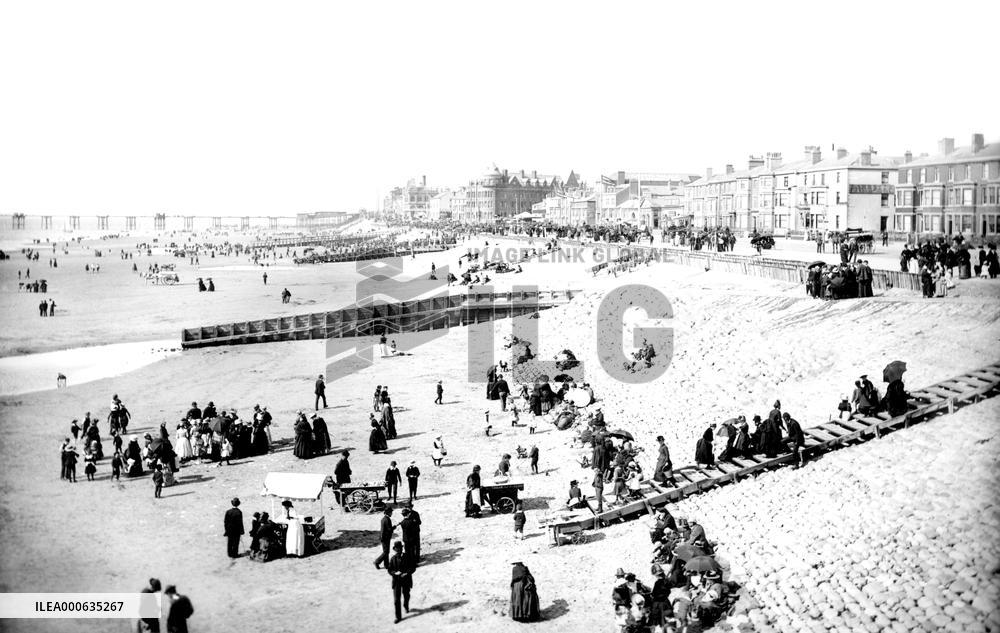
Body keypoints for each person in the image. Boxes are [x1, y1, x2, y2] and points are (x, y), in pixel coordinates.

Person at [386, 541, 414, 623]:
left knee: (406, 595)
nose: (399, 550)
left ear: (402, 549)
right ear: (395, 550)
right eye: (397, 549)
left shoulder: (407, 557)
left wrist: (406, 573)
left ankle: (406, 605)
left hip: (406, 580)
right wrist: (394, 573)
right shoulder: (393, 559)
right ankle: (398, 617)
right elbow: (389, 570)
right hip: (396, 581)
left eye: (400, 548)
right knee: (396, 600)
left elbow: (413, 567)